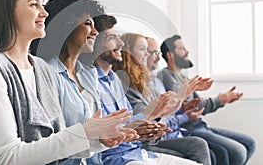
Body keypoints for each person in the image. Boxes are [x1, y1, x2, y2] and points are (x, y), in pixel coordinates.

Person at [0, 0, 132, 165]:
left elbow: (53, 146)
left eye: (42, 4)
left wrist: (95, 141)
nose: (44, 12)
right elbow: (6, 157)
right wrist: (84, 132)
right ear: (7, 10)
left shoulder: (41, 68)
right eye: (34, 5)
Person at [93, 15, 202, 165]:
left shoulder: (115, 81)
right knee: (199, 145)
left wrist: (159, 114)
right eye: (112, 38)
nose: (120, 43)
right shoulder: (96, 82)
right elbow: (109, 131)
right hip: (119, 157)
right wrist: (152, 114)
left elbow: (134, 121)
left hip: (137, 151)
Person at [111, 32, 210, 165]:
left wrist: (179, 109)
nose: (148, 54)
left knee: (211, 148)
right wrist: (180, 104)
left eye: (149, 51)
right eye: (143, 50)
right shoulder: (126, 86)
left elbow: (158, 116)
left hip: (159, 136)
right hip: (147, 142)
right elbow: (149, 121)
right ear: (128, 54)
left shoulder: (148, 82)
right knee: (200, 145)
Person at [158, 34, 256, 165]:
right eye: (182, 49)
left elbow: (199, 106)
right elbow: (188, 106)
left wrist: (222, 100)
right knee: (238, 151)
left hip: (200, 125)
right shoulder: (166, 76)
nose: (187, 51)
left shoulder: (182, 77)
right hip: (188, 128)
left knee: (249, 143)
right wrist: (219, 100)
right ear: (170, 55)